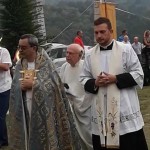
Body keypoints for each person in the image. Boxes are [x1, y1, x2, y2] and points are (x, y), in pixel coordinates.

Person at [80, 17, 148, 150]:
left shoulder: (126, 50)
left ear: (111, 31)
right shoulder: (89, 54)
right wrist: (95, 82)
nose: (99, 35)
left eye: (102, 32)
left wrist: (116, 79)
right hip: (101, 112)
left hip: (124, 109)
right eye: (96, 33)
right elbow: (83, 78)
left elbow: (139, 74)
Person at [9, 34, 81, 150]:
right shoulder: (20, 65)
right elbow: (14, 88)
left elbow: (54, 86)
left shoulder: (46, 64)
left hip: (44, 108)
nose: (20, 50)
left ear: (34, 47)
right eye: (19, 47)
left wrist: (34, 85)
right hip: (24, 107)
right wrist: (19, 88)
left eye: (23, 47)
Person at [60, 43, 93, 150]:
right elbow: (61, 83)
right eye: (67, 52)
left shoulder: (86, 67)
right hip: (70, 105)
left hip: (85, 105)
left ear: (80, 55)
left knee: (88, 133)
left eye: (71, 53)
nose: (67, 55)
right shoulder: (64, 67)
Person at [0, 46, 12, 148]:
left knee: (1, 116)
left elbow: (5, 67)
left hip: (4, 88)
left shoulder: (3, 51)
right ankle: (3, 139)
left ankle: (2, 140)